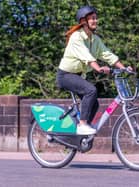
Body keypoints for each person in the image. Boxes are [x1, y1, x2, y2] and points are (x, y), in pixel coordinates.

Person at [56, 5, 132, 135]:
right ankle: (82, 125)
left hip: (78, 76)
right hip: (65, 75)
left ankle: (82, 135)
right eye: (92, 18)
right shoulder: (76, 37)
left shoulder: (95, 39)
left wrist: (124, 68)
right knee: (91, 90)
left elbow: (107, 54)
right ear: (83, 21)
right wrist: (99, 68)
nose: (95, 21)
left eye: (96, 18)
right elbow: (87, 56)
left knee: (94, 104)